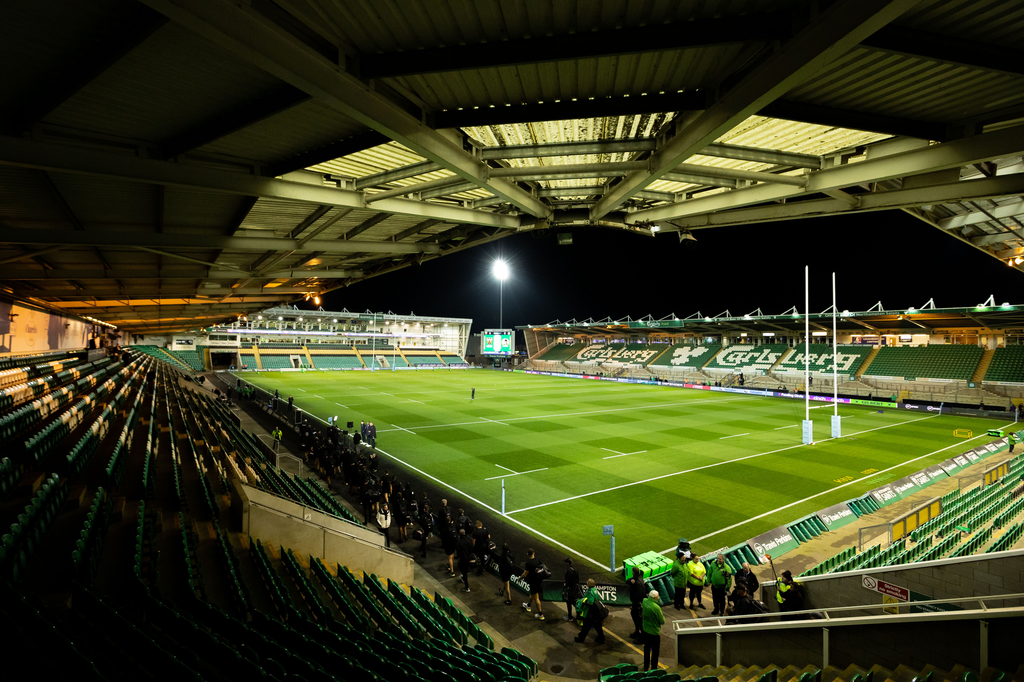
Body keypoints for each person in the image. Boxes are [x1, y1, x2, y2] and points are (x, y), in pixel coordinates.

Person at [574, 579, 606, 644]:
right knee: (597, 626)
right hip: (596, 611)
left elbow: (590, 602)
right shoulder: (594, 590)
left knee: (587, 625)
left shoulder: (590, 592)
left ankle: (581, 638)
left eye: (587, 581)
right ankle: (601, 638)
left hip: (591, 612)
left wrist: (583, 601)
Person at [641, 589, 665, 671]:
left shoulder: (644, 601)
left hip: (645, 630)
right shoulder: (656, 607)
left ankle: (645, 667)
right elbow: (662, 621)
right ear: (655, 598)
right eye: (657, 597)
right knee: (655, 652)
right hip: (654, 633)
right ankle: (654, 667)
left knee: (646, 650)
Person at [521, 548, 546, 620]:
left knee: (536, 597)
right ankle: (528, 605)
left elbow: (525, 574)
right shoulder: (538, 560)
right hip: (539, 581)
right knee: (533, 594)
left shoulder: (529, 562)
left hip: (533, 582)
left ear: (527, 554)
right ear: (534, 553)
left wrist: (520, 578)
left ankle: (540, 614)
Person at [627, 566, 646, 640]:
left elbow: (637, 596)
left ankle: (642, 636)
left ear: (633, 572)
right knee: (636, 618)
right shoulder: (639, 578)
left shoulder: (637, 582)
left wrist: (633, 605)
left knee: (638, 619)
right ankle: (637, 632)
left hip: (637, 605)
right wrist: (630, 580)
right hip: (638, 604)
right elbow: (627, 581)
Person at [561, 558, 581, 622]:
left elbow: (568, 581)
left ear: (568, 563)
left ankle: (570, 617)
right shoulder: (575, 570)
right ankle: (580, 614)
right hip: (575, 589)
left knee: (569, 602)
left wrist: (565, 587)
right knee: (575, 602)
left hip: (570, 589)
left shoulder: (568, 571)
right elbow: (578, 580)